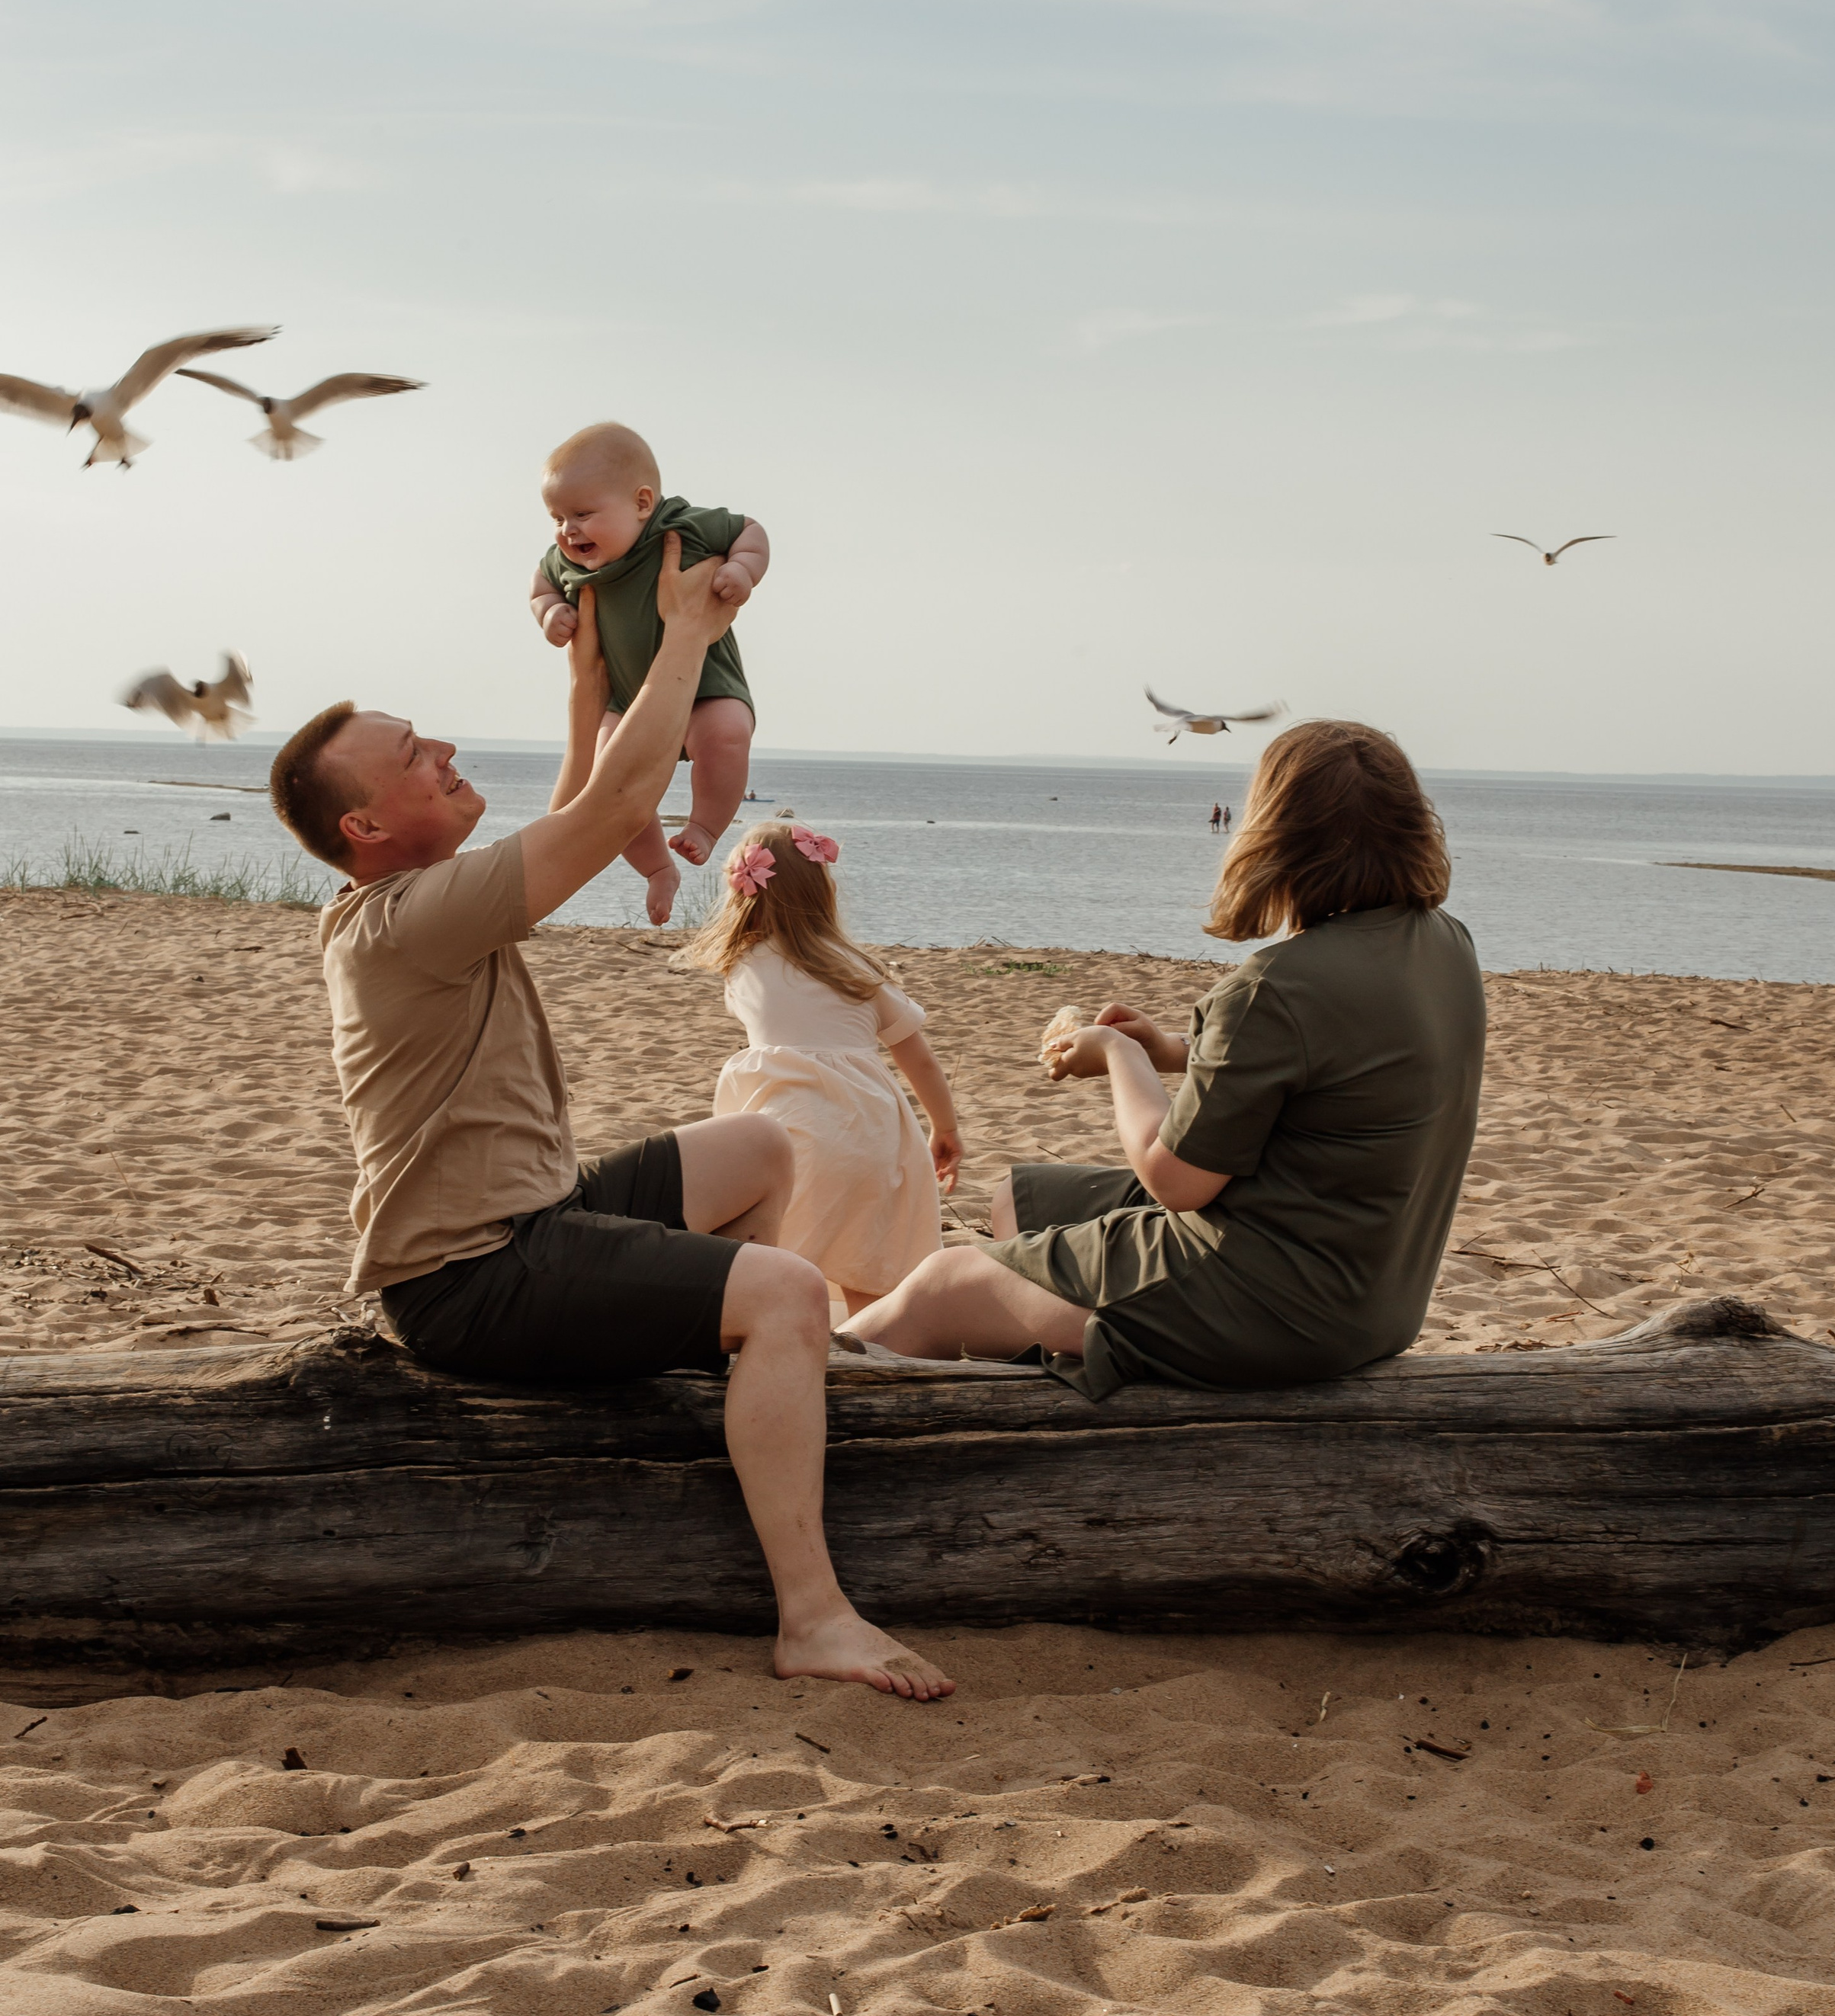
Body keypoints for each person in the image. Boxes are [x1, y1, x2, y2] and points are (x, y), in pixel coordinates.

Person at [270, 533, 948, 1700]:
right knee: (790, 1290)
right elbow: (624, 800)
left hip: (543, 1216)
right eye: (411, 754)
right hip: (471, 1276)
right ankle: (814, 1613)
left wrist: (588, 668)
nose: (440, 748)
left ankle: (737, 1368)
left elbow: (587, 799)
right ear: (366, 830)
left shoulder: (417, 899)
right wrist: (687, 628)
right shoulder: (405, 921)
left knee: (762, 1143)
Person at [844, 720, 1484, 1399]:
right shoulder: (1448, 945)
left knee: (942, 1286)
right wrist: (1171, 1050)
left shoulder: (1274, 986)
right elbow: (1334, 1072)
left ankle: (789, 1385)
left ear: (1275, 837)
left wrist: (1121, 1055)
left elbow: (1173, 1182)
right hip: (1376, 1297)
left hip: (1274, 1306)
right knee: (1023, 1200)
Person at [676, 822, 965, 1313]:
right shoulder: (857, 970)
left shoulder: (741, 965)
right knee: (870, 1264)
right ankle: (879, 1351)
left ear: (743, 891)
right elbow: (918, 1057)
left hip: (792, 1137)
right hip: (870, 1133)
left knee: (779, 1257)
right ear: (823, 889)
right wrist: (945, 1127)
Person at [529, 421, 768, 921]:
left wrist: (742, 569)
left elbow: (751, 530)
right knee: (610, 780)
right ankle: (659, 869)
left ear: (642, 503)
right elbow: (540, 586)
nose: (567, 530)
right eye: (557, 517)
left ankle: (704, 826)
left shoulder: (680, 527)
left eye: (583, 514)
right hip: (628, 699)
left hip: (707, 687)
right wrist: (551, 612)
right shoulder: (565, 561)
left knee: (726, 735)